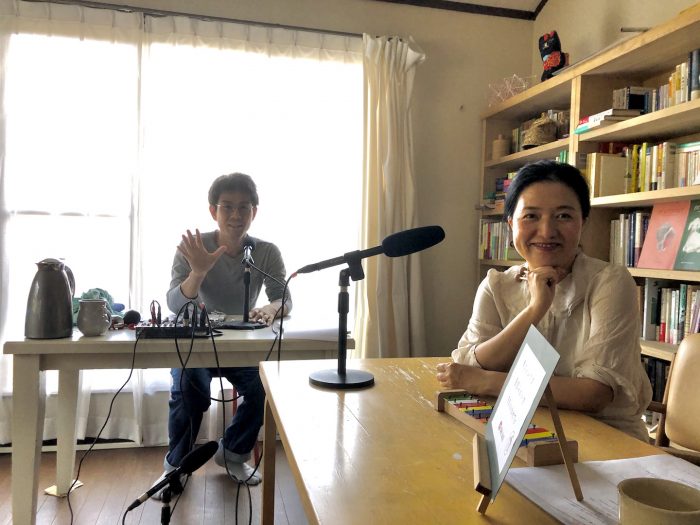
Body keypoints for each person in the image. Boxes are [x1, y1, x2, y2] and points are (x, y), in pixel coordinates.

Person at [437, 160, 652, 441]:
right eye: (531, 216)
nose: (547, 231)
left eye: (563, 216)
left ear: (584, 223)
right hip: (521, 431)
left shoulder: (610, 282)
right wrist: (535, 309)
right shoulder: (496, 285)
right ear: (510, 224)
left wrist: (487, 382)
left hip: (607, 438)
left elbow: (594, 394)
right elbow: (471, 365)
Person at [152, 172, 292, 497]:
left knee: (262, 389)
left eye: (244, 207)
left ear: (254, 212)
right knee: (190, 391)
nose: (236, 215)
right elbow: (174, 302)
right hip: (196, 344)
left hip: (239, 346)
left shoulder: (266, 251)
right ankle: (175, 466)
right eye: (227, 206)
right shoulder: (193, 247)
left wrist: (271, 308)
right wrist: (198, 271)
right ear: (213, 210)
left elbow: (283, 297)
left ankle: (233, 454)